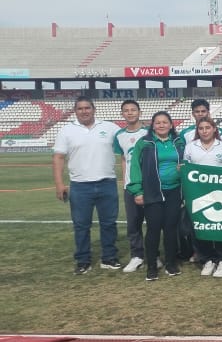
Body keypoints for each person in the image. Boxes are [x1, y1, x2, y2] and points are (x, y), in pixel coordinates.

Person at [53, 96, 121, 274]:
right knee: (81, 225)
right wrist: (59, 184)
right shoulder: (67, 131)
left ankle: (109, 257)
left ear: (94, 109)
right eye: (80, 108)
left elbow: (129, 140)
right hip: (80, 185)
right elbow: (59, 157)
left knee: (109, 223)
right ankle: (83, 260)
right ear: (75, 111)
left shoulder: (109, 127)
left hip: (107, 182)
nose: (84, 111)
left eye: (87, 108)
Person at [126, 111, 186, 281]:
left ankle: (171, 263)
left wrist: (184, 168)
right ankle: (152, 265)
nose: (161, 125)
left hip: (175, 190)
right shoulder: (144, 143)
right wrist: (137, 191)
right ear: (153, 125)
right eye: (157, 122)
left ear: (171, 124)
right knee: (153, 229)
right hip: (153, 191)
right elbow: (135, 167)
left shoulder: (179, 141)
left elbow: (187, 161)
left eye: (165, 122)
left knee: (170, 229)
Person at [183, 117, 222, 277]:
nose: (204, 131)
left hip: (221, 194)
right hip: (198, 194)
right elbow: (186, 169)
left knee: (220, 227)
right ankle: (207, 259)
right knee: (200, 227)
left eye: (207, 127)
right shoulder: (191, 147)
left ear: (214, 129)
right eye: (201, 128)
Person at [112, 99, 147, 273]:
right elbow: (124, 159)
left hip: (149, 185)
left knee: (155, 223)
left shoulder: (148, 132)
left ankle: (154, 255)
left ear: (139, 112)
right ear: (122, 114)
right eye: (126, 110)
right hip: (131, 186)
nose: (130, 113)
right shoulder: (119, 135)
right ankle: (137, 256)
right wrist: (125, 182)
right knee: (133, 223)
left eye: (133, 109)